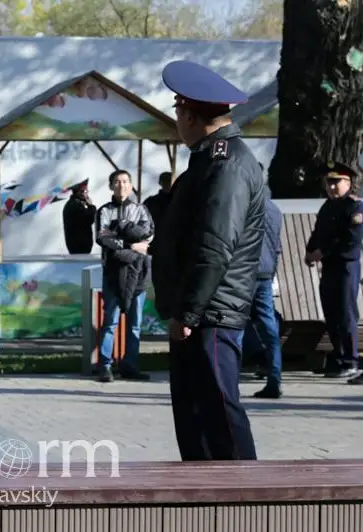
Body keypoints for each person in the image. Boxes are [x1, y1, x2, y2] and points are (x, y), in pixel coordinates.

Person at [152, 60, 264, 462]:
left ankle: (247, 492)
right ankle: (202, 492)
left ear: (188, 115)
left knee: (219, 414)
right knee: (195, 417)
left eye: (177, 111)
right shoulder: (209, 160)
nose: (177, 121)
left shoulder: (227, 164)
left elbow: (215, 246)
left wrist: (188, 312)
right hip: (199, 310)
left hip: (210, 313)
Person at [304, 162, 363, 382]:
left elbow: (351, 239)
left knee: (345, 314)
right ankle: (338, 358)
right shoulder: (328, 207)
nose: (331, 187)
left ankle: (350, 360)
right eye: (328, 182)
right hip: (329, 267)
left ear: (348, 182)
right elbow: (318, 232)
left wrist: (322, 252)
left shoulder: (354, 207)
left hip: (346, 265)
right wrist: (310, 251)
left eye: (336, 182)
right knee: (331, 313)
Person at [94, 169, 153, 383]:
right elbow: (102, 237)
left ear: (131, 185)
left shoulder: (141, 210)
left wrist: (121, 232)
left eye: (125, 181)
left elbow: (147, 234)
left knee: (135, 323)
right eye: (117, 182)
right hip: (113, 273)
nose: (122, 185)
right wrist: (130, 244)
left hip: (138, 273)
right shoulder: (104, 211)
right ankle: (105, 365)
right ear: (111, 186)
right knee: (110, 321)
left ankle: (130, 365)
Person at [241, 185, 284, 399]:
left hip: (244, 272)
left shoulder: (244, 206)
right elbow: (276, 247)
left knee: (235, 321)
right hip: (265, 273)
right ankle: (274, 378)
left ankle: (229, 377)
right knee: (269, 327)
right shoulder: (274, 210)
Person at [142, 171, 175, 256]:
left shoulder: (180, 202)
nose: (168, 184)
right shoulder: (151, 202)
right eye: (165, 181)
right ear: (160, 183)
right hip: (156, 245)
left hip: (174, 245)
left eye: (169, 181)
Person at [62, 181, 97, 254]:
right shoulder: (74, 205)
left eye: (87, 191)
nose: (86, 193)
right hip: (79, 246)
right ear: (79, 192)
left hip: (78, 245)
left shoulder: (75, 203)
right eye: (84, 191)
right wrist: (91, 206)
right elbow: (90, 219)